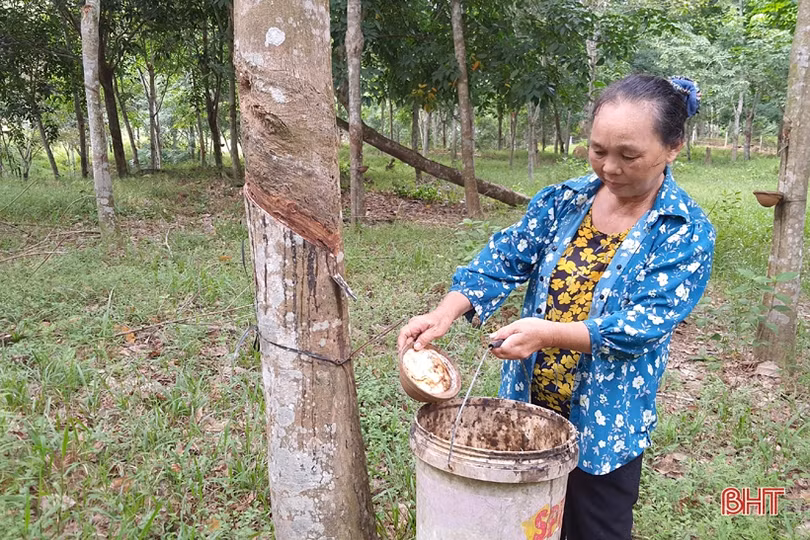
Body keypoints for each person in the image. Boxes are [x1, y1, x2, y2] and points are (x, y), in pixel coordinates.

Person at [397, 74, 715, 540]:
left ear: (673, 147)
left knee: (595, 527)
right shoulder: (564, 201)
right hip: (529, 406)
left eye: (629, 155)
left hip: (606, 422)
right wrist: (444, 313)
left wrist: (548, 334)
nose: (609, 167)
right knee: (523, 525)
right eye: (598, 150)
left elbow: (643, 325)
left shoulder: (684, 231)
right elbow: (503, 259)